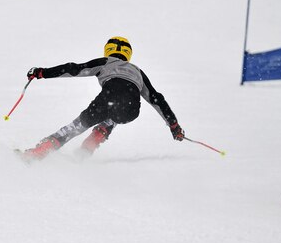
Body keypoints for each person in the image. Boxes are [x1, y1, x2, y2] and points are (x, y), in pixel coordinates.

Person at [20, 36, 184, 161]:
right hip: (131, 110)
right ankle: (96, 138)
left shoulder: (106, 62)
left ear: (108, 50)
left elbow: (74, 69)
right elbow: (157, 99)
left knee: (76, 127)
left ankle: (40, 152)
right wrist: (174, 125)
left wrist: (42, 72)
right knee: (117, 111)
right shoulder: (138, 72)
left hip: (106, 100)